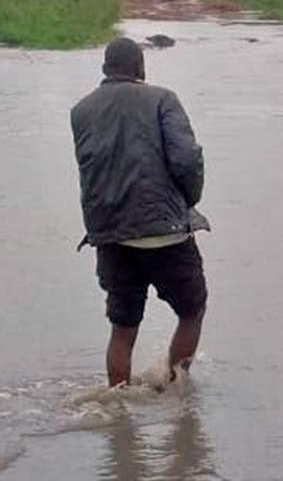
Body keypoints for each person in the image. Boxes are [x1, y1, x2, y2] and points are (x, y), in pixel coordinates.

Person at [71, 37, 209, 387]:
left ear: (105, 70)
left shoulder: (81, 111)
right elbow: (187, 160)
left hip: (111, 237)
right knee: (192, 311)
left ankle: (117, 412)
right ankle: (173, 393)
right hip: (166, 233)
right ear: (141, 69)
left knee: (122, 328)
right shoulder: (163, 99)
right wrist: (188, 203)